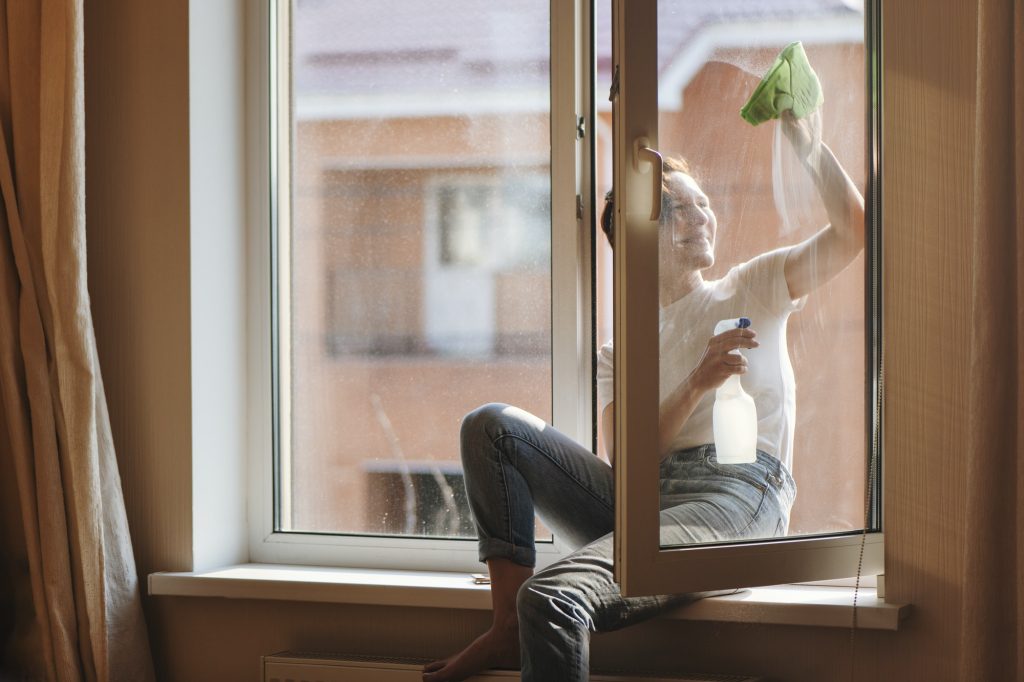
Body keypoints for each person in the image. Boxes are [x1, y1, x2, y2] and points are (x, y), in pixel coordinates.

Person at [422, 111, 865, 682]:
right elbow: (627, 463)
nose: (702, 215)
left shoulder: (752, 284)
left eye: (703, 202)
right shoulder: (619, 351)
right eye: (680, 208)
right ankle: (505, 626)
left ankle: (525, 617)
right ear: (636, 237)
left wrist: (810, 145)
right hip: (642, 501)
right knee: (491, 425)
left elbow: (853, 229)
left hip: (734, 496)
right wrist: (697, 380)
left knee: (552, 598)